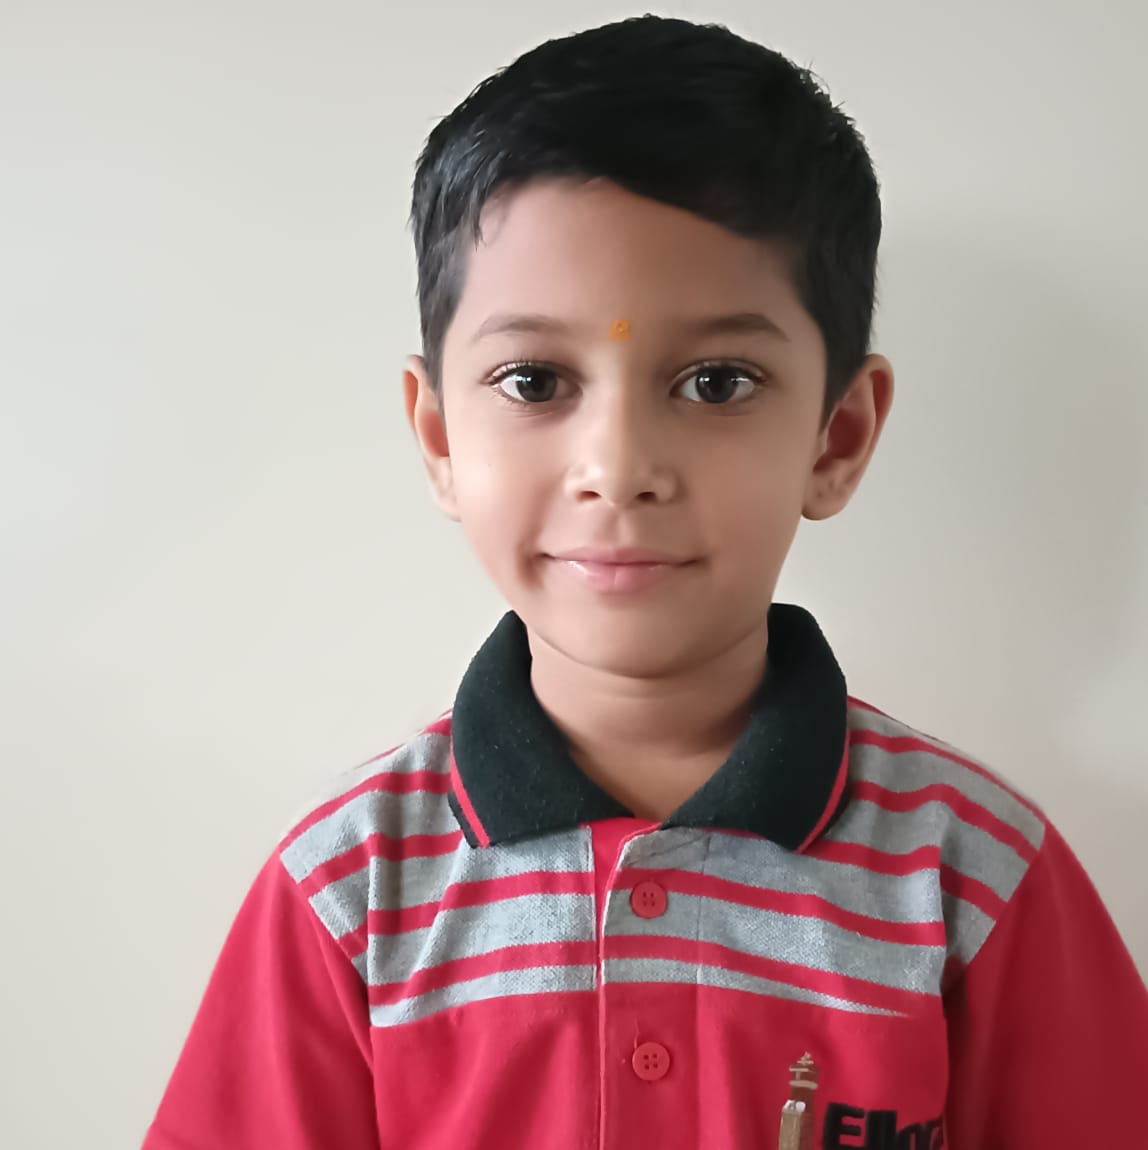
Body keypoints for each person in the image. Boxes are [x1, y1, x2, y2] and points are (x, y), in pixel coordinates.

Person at [143, 14, 1148, 1149]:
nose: (618, 468)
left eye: (716, 382)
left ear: (836, 438)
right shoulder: (350, 888)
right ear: (439, 438)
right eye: (534, 381)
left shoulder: (972, 872)